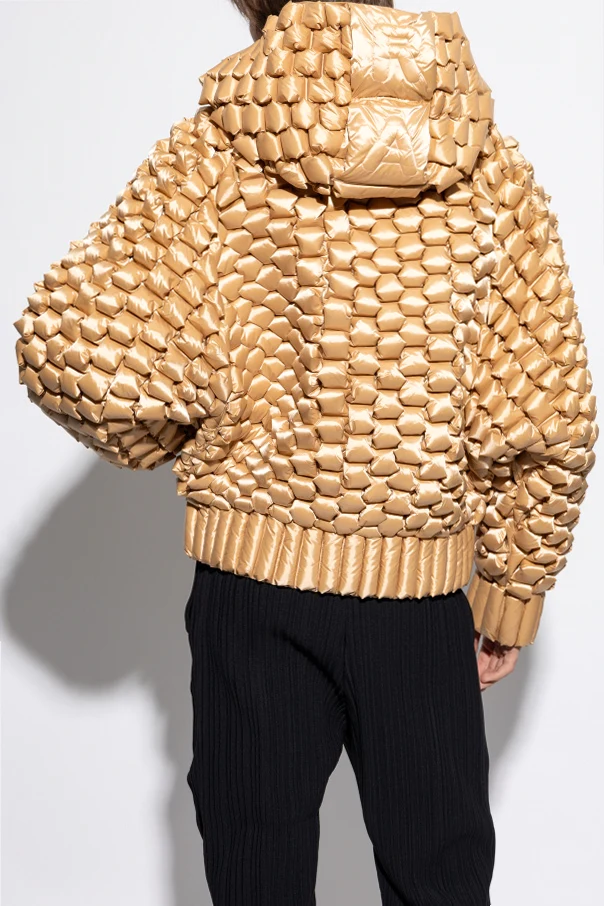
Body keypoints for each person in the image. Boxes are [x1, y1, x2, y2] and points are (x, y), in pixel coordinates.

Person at [13, 1, 598, 903]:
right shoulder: (490, 168)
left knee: (257, 878)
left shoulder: (214, 152)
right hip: (422, 609)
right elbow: (548, 408)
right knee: (441, 881)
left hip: (253, 595)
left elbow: (70, 343)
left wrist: (197, 420)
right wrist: (510, 589)